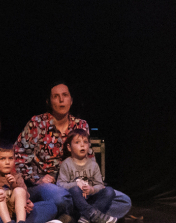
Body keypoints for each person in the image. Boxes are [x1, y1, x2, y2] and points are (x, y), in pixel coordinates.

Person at [12, 84, 129, 220]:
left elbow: (89, 157)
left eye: (65, 95)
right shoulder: (36, 123)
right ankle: (89, 213)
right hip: (50, 186)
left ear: (71, 100)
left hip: (77, 185)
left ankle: (77, 216)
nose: (61, 100)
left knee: (123, 200)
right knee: (60, 197)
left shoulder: (81, 125)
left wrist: (88, 184)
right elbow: (19, 157)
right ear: (49, 102)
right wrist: (37, 179)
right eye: (56, 96)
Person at [56, 130, 115, 223]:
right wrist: (76, 184)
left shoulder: (93, 164)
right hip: (75, 203)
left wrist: (91, 189)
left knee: (110, 191)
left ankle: (86, 217)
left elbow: (100, 185)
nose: (82, 145)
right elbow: (60, 184)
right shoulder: (66, 164)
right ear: (69, 147)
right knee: (74, 190)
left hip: (91, 201)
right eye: (77, 142)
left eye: (85, 142)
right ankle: (91, 215)